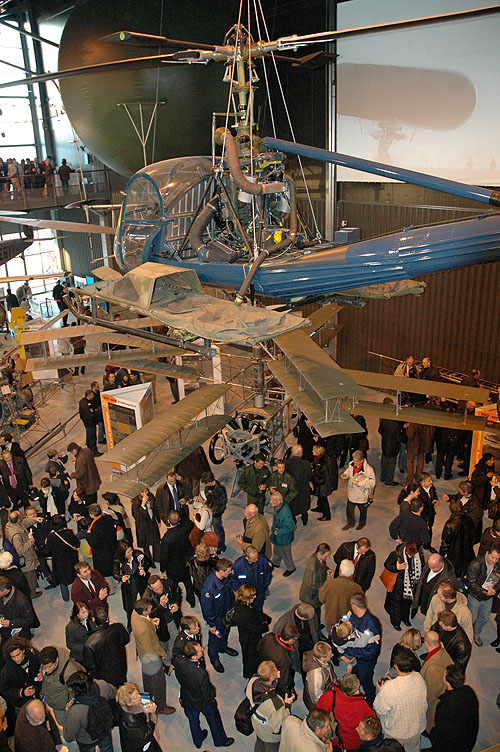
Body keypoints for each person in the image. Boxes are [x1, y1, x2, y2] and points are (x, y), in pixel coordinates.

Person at [173, 640, 234, 748]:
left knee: (193, 721)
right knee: (214, 719)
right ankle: (220, 740)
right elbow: (206, 692)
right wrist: (212, 700)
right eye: (200, 651)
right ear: (194, 657)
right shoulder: (201, 673)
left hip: (187, 697)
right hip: (202, 702)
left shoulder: (178, 660)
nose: (203, 651)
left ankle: (198, 741)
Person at [373, 651, 427, 752]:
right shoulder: (418, 678)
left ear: (396, 667)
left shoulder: (389, 688)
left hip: (395, 733)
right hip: (416, 729)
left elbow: (380, 709)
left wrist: (381, 691)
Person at [130, 599, 175, 715]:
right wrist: (163, 656)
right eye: (149, 608)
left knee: (147, 678)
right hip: (151, 658)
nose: (151, 608)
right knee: (159, 682)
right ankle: (160, 706)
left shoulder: (135, 614)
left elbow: (144, 621)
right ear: (144, 611)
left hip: (143, 656)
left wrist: (150, 621)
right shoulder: (143, 630)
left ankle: (148, 695)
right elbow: (150, 649)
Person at [317, 672, 375, 751]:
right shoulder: (362, 706)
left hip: (335, 739)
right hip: (354, 743)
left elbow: (318, 715)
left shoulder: (329, 697)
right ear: (356, 690)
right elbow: (373, 723)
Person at [342, 592, 381, 705]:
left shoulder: (371, 624)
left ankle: (370, 701)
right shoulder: (354, 616)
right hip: (357, 657)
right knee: (355, 674)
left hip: (366, 661)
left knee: (366, 680)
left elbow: (370, 652)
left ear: (354, 606)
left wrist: (348, 650)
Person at [245, 660, 293, 752]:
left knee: (259, 743)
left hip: (257, 725)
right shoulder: (275, 703)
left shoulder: (252, 681)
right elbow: (277, 728)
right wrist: (287, 705)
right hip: (269, 736)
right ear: (271, 678)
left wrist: (275, 678)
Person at [429, 664, 479, 752]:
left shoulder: (446, 706)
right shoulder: (469, 692)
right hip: (468, 741)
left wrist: (432, 733)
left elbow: (441, 733)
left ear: (447, 680)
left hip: (452, 747)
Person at [200, 557, 238, 673]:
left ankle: (223, 647)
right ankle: (214, 657)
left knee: (225, 632)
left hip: (227, 613)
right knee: (215, 638)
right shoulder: (210, 587)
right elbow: (207, 608)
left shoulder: (225, 579)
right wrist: (211, 624)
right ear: (220, 571)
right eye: (228, 571)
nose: (230, 572)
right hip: (216, 618)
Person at [64, 670, 116, 752]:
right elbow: (113, 692)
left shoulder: (76, 711)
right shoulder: (102, 685)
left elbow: (68, 737)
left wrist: (67, 711)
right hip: (104, 729)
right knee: (107, 748)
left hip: (87, 740)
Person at [230, 584, 271, 678]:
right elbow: (254, 629)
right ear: (247, 598)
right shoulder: (243, 614)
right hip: (249, 639)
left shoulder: (243, 605)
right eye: (253, 596)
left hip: (249, 635)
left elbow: (255, 613)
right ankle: (251, 675)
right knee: (250, 657)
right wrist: (264, 626)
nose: (255, 597)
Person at [83, 606, 130, 687]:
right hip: (120, 667)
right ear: (107, 618)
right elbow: (126, 640)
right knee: (123, 689)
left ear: (93, 619)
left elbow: (90, 665)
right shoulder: (119, 627)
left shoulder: (90, 643)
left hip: (103, 676)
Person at [383, 541, 424, 631]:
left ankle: (405, 618)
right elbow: (387, 564)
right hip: (397, 585)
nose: (410, 557)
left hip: (410, 586)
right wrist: (396, 568)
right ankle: (396, 622)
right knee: (395, 605)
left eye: (412, 555)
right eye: (409, 554)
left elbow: (422, 567)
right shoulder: (396, 555)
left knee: (406, 604)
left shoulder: (419, 556)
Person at [0, 636, 42, 725]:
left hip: (37, 695)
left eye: (18, 655)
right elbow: (3, 689)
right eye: (13, 657)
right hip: (20, 703)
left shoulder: (33, 656)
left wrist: (41, 673)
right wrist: (21, 692)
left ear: (23, 650)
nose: (16, 659)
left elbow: (42, 664)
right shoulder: (7, 669)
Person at [466, 541, 500, 646]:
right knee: (472, 618)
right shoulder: (476, 564)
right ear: (487, 553)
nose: (494, 561)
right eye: (492, 557)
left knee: (485, 618)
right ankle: (468, 636)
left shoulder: (497, 565)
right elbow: (472, 584)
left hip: (488, 598)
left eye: (497, 558)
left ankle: (476, 634)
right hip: (475, 598)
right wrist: (486, 592)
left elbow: (498, 581)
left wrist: (494, 591)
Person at [274, 603, 320, 679]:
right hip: (295, 648)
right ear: (302, 617)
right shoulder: (284, 622)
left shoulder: (310, 613)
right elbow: (278, 636)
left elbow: (315, 627)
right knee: (294, 668)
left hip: (308, 644)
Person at [39, 645, 83, 725]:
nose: (46, 670)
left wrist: (68, 708)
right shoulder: (47, 660)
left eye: (49, 667)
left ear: (56, 660)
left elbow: (73, 694)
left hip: (61, 706)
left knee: (66, 724)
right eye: (44, 667)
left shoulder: (69, 673)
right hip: (53, 698)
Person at [142, 574, 181, 663]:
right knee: (164, 642)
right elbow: (149, 614)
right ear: (150, 588)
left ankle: (170, 658)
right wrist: (160, 605)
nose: (160, 590)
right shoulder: (147, 597)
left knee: (175, 637)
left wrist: (176, 604)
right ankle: (167, 659)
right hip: (161, 623)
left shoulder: (169, 583)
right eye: (156, 589)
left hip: (172, 618)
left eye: (161, 587)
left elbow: (177, 593)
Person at [160, 509, 195, 606]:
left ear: (168, 521)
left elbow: (163, 557)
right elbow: (189, 523)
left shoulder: (166, 539)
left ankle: (175, 603)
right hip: (184, 563)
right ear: (179, 519)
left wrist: (162, 569)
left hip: (173, 567)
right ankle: (191, 601)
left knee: (173, 586)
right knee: (188, 582)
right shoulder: (185, 529)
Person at [318, 559, 363, 634]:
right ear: (352, 574)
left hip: (331, 621)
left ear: (340, 571)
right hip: (347, 624)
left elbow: (321, 599)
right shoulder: (357, 588)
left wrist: (328, 579)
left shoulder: (330, 584)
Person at [113, 542, 152, 629]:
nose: (131, 553)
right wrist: (121, 577)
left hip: (141, 582)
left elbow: (147, 562)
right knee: (130, 605)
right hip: (129, 585)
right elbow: (115, 574)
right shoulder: (118, 561)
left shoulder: (137, 554)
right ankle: (130, 623)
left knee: (146, 600)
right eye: (128, 552)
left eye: (131, 550)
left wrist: (143, 569)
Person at [420, 630, 452, 733]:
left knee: (431, 718)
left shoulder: (433, 667)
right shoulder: (442, 651)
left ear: (426, 643)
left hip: (434, 701)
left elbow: (432, 693)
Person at [117, 681, 162, 752]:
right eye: (136, 697)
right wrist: (152, 715)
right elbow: (145, 736)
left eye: (138, 693)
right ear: (129, 703)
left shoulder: (126, 706)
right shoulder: (130, 720)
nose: (140, 697)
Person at [411, 553, 460, 618]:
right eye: (429, 567)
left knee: (428, 614)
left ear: (441, 564)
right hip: (424, 595)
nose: (431, 569)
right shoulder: (431, 564)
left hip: (432, 600)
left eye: (434, 568)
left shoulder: (449, 578)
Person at [5, 510, 41, 598]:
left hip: (24, 558)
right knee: (31, 577)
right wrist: (31, 541)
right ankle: (32, 593)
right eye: (21, 517)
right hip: (26, 560)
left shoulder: (9, 525)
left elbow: (25, 522)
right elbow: (20, 550)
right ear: (17, 520)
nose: (22, 518)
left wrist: (35, 519)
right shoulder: (16, 535)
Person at [258, 624, 300, 695]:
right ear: (290, 640)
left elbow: (258, 647)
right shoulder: (284, 659)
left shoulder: (269, 636)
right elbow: (284, 680)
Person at [439, 497, 475, 578]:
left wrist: (441, 555)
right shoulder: (468, 519)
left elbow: (445, 543)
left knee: (454, 571)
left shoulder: (449, 525)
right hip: (467, 550)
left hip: (454, 553)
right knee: (464, 567)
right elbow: (472, 535)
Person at [230, 545, 273, 611]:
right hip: (246, 596)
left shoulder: (263, 560)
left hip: (259, 593)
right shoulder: (238, 565)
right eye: (254, 559)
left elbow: (269, 573)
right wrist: (241, 591)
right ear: (247, 558)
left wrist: (265, 585)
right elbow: (232, 579)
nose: (257, 559)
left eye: (257, 557)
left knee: (258, 610)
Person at [341, 450, 376, 531]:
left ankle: (362, 523)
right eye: (353, 460)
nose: (354, 462)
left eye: (356, 461)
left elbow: (372, 483)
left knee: (363, 510)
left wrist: (360, 483)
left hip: (362, 494)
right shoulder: (351, 464)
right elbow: (348, 471)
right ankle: (350, 523)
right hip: (352, 492)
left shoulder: (369, 470)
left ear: (362, 460)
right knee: (349, 509)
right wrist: (345, 475)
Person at [0, 575, 38, 641]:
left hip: (18, 634)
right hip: (5, 630)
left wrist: (10, 623)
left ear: (5, 590)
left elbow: (29, 619)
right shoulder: (3, 596)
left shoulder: (21, 601)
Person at [299, 543, 331, 618]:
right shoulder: (312, 568)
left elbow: (322, 566)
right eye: (326, 556)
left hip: (315, 594)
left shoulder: (318, 558)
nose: (328, 557)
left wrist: (326, 569)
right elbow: (310, 585)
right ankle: (316, 627)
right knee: (314, 613)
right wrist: (325, 587)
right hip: (311, 598)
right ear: (319, 554)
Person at [302, 641, 336, 711]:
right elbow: (316, 696)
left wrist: (333, 678)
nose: (332, 655)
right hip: (318, 702)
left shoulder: (319, 656)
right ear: (322, 658)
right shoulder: (316, 675)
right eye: (330, 655)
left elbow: (329, 669)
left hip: (326, 687)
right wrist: (324, 704)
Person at [269, 491, 296, 577]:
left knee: (286, 553)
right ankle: (275, 562)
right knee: (276, 548)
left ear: (279, 501)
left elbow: (292, 527)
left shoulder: (285, 513)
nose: (270, 502)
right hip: (278, 536)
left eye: (273, 501)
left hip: (284, 537)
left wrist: (279, 531)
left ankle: (291, 567)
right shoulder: (278, 506)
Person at [86, 504, 117, 578]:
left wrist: (88, 535)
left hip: (102, 552)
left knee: (104, 567)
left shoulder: (96, 526)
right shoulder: (108, 518)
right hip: (111, 545)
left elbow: (95, 543)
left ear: (92, 515)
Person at [286, 444, 313, 525]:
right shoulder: (306, 464)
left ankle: (293, 520)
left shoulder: (286, 462)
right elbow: (310, 476)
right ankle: (305, 520)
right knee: (304, 505)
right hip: (303, 488)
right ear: (300, 453)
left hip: (291, 489)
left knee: (292, 506)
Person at [132, 489, 161, 564]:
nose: (145, 494)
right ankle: (149, 561)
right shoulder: (135, 502)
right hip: (143, 526)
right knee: (146, 544)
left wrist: (158, 520)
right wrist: (142, 505)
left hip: (152, 522)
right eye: (142, 492)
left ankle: (157, 557)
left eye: (146, 491)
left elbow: (156, 510)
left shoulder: (151, 497)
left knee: (156, 541)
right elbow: (136, 516)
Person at [201, 470, 227, 553]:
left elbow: (222, 504)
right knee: (213, 530)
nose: (205, 485)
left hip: (216, 514)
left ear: (209, 481)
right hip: (211, 511)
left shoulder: (220, 489)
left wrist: (215, 512)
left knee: (218, 530)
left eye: (206, 483)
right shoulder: (208, 487)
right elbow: (207, 497)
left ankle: (221, 547)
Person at [378, 402, 402, 486]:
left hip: (385, 444)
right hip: (393, 447)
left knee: (384, 461)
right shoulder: (396, 424)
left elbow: (380, 430)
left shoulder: (384, 421)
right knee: (391, 464)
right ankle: (388, 480)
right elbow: (398, 438)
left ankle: (383, 476)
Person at [311, 444, 336, 521]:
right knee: (320, 497)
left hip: (323, 485)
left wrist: (313, 472)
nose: (312, 451)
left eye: (314, 451)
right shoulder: (321, 458)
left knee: (324, 499)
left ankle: (326, 515)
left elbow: (320, 476)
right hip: (322, 484)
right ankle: (319, 507)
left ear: (318, 453)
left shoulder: (322, 463)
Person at [78, 390, 100, 456]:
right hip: (90, 422)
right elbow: (90, 413)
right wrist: (94, 413)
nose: (93, 396)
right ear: (89, 395)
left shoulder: (82, 401)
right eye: (92, 395)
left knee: (89, 434)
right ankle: (94, 450)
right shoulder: (85, 404)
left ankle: (90, 447)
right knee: (92, 436)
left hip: (87, 422)